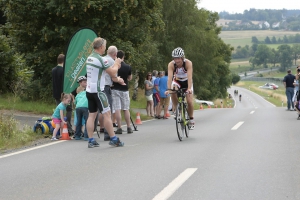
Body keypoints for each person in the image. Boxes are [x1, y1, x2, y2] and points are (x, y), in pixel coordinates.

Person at [85, 37, 125, 148]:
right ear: (101, 47)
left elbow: (101, 71)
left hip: (89, 90)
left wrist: (116, 74)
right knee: (107, 114)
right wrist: (117, 63)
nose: (105, 48)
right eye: (105, 46)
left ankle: (90, 139)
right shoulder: (101, 59)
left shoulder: (89, 58)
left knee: (91, 115)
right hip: (99, 91)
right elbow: (112, 72)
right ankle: (113, 139)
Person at [165, 47, 195, 129]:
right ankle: (177, 109)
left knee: (189, 101)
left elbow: (189, 77)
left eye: (178, 58)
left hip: (187, 81)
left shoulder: (188, 63)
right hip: (177, 81)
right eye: (175, 58)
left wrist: (189, 89)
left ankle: (191, 119)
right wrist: (168, 89)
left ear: (182, 58)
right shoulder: (171, 64)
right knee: (172, 91)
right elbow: (169, 78)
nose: (177, 60)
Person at [97, 45, 118, 141]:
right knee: (108, 110)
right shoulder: (111, 61)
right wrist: (119, 80)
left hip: (98, 87)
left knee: (99, 110)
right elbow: (114, 75)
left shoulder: (101, 59)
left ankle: (97, 129)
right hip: (106, 87)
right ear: (115, 54)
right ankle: (108, 133)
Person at [112, 50, 133, 134]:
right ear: (123, 57)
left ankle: (119, 127)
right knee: (126, 109)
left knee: (117, 108)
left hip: (115, 89)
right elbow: (130, 78)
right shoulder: (128, 67)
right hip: (124, 89)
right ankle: (129, 127)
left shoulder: (114, 66)